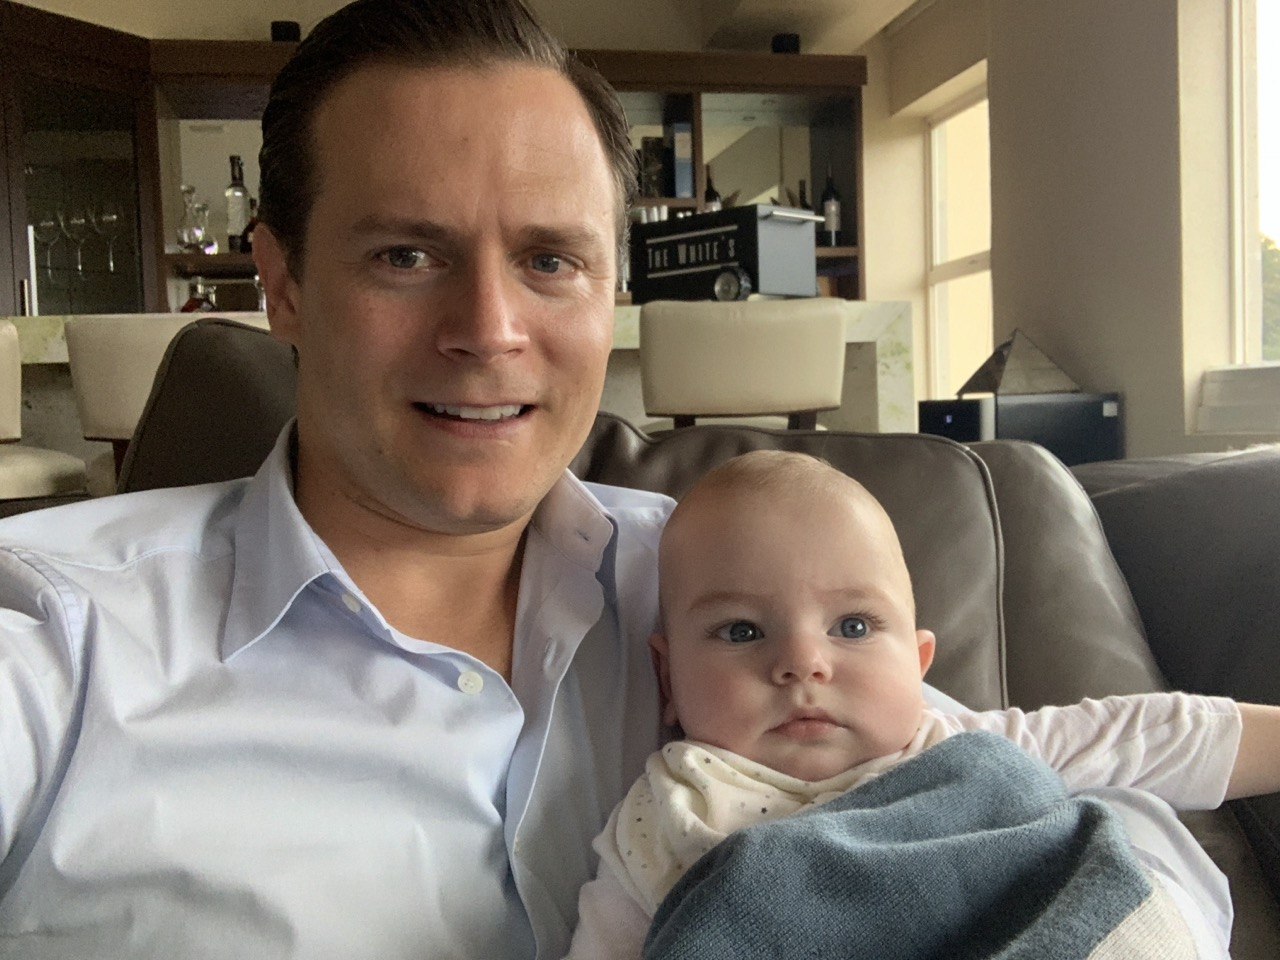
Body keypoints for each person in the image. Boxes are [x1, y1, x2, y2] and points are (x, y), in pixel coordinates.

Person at [0, 3, 1251, 959]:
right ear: (280, 283)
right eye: (404, 255)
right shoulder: (57, 642)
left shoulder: (729, 578)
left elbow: (1037, 799)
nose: (488, 330)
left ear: (610, 290)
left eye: (549, 260)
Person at [566, 451, 1280, 960]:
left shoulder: (960, 748)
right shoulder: (660, 818)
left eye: (853, 626)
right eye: (742, 631)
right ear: (668, 680)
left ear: (918, 662)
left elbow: (1146, 738)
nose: (803, 663)